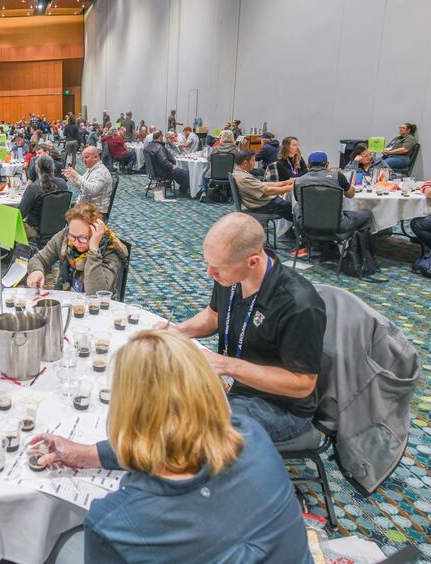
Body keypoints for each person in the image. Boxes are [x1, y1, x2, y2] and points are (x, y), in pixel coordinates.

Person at [30, 329, 311, 563]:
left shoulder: (115, 522)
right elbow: (177, 435)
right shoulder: (251, 434)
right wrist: (90, 454)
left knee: (65, 547)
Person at [167, 213, 324, 442]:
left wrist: (230, 365)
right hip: (236, 385)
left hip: (279, 406)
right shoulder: (229, 276)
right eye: (208, 265)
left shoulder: (299, 305)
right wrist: (178, 331)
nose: (209, 274)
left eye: (217, 268)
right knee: (161, 390)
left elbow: (302, 385)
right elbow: (214, 316)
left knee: (187, 426)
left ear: (252, 262)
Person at [26, 203, 127, 295]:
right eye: (73, 236)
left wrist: (93, 251)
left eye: (83, 238)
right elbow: (39, 259)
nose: (76, 243)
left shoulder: (110, 250)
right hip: (68, 301)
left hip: (98, 309)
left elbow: (95, 293)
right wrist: (36, 271)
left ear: (96, 233)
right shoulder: (64, 238)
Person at [294, 152, 373, 233]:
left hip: (307, 226)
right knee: (367, 214)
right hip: (338, 225)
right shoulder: (337, 176)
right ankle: (357, 243)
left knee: (296, 207)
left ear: (308, 165)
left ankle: (299, 240)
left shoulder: (298, 181)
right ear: (327, 164)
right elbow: (351, 194)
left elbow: (298, 200)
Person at [232, 151, 294, 221]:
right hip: (263, 205)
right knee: (294, 210)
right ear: (245, 163)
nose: (254, 163)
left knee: (291, 207)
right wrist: (291, 187)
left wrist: (284, 183)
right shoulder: (244, 178)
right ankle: (301, 229)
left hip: (263, 203)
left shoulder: (240, 173)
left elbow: (262, 184)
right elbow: (267, 191)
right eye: (253, 161)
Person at [20, 155, 68, 238]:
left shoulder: (33, 188)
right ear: (53, 167)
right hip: (59, 229)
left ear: (37, 169)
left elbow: (20, 214)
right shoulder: (63, 183)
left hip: (35, 231)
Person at [62, 146, 113, 214]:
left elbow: (93, 190)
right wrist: (72, 177)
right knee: (64, 211)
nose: (83, 160)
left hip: (96, 211)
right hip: (86, 206)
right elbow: (82, 186)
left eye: (86, 157)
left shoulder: (101, 172)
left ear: (95, 157)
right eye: (83, 158)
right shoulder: (91, 169)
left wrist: (77, 175)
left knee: (65, 213)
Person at [143, 131, 190, 195]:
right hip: (163, 172)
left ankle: (181, 188)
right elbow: (164, 162)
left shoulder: (148, 147)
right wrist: (172, 166)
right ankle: (183, 190)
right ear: (160, 137)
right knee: (187, 174)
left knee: (181, 172)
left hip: (154, 172)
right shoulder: (159, 147)